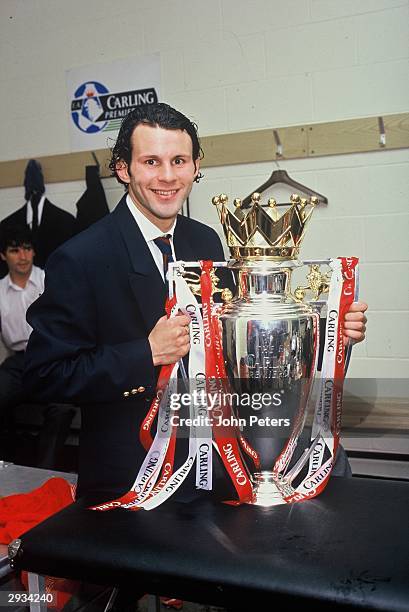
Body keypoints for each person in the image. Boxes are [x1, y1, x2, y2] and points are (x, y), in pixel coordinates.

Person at [24, 103, 367, 502]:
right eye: (151, 161)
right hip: (131, 480)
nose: (167, 176)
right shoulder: (81, 257)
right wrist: (145, 353)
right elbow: (44, 374)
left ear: (196, 165)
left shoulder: (205, 242)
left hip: (217, 468)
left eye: (179, 161)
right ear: (123, 168)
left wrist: (328, 338)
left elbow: (235, 349)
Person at [0, 224, 74, 468]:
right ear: (3, 255)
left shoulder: (50, 280)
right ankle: (8, 464)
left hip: (53, 357)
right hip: (19, 360)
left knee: (62, 407)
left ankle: (44, 473)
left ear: (34, 252)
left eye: (27, 249)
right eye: (14, 251)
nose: (22, 256)